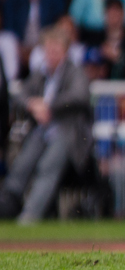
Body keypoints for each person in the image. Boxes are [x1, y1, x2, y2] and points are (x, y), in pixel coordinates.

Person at [0, 26, 91, 224]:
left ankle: (31, 216)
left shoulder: (75, 72)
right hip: (42, 132)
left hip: (68, 134)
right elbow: (22, 94)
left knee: (47, 167)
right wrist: (33, 105)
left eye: (55, 50)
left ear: (65, 51)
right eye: (48, 50)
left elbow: (80, 96)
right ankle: (6, 208)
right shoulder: (41, 74)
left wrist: (50, 106)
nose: (51, 55)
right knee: (21, 165)